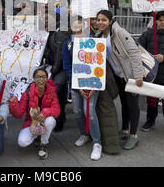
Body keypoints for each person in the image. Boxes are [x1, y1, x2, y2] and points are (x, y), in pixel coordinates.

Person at [95, 10, 144, 150]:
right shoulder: (100, 36)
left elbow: (134, 52)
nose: (100, 22)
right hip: (118, 76)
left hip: (129, 76)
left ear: (110, 21)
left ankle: (134, 135)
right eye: (98, 20)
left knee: (132, 105)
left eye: (103, 20)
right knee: (124, 103)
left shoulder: (119, 33)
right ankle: (125, 130)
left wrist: (138, 76)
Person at [62, 16, 103, 161]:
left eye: (80, 25)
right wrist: (77, 84)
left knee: (89, 111)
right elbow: (67, 65)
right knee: (77, 111)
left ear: (85, 26)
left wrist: (94, 84)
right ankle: (84, 134)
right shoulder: (67, 44)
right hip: (76, 84)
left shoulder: (95, 40)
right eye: (74, 25)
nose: (77, 28)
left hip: (93, 83)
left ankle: (97, 142)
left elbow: (100, 64)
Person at [9, 68, 61, 160]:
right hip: (31, 123)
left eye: (43, 77)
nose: (41, 80)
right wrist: (13, 104)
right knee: (22, 142)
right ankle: (37, 136)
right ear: (34, 79)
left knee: (50, 120)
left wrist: (45, 113)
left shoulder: (52, 91)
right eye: (38, 77)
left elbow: (56, 110)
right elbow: (19, 114)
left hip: (45, 121)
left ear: (47, 78)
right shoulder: (27, 93)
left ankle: (43, 143)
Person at [43, 14, 70, 132]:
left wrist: (54, 70)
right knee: (60, 95)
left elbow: (60, 53)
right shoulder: (51, 31)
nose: (46, 21)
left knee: (56, 94)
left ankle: (59, 120)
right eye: (45, 19)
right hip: (53, 68)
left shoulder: (61, 31)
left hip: (61, 69)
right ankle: (59, 119)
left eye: (49, 18)